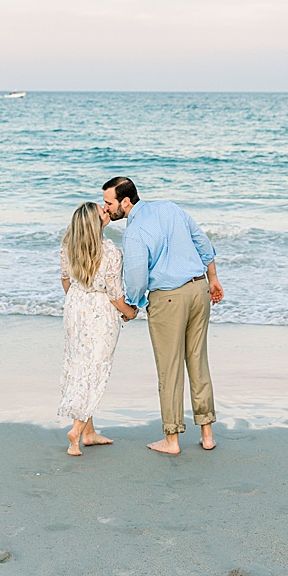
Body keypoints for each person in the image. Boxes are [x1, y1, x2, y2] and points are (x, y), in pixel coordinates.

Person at [100, 176, 223, 455]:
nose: (106, 209)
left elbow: (137, 275)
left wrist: (132, 305)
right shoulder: (170, 208)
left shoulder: (134, 232)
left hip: (168, 297)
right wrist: (213, 279)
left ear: (126, 201)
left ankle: (172, 439)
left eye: (109, 203)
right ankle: (207, 434)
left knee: (170, 369)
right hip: (198, 288)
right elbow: (202, 242)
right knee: (198, 361)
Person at [58, 201, 136, 455]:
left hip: (75, 305)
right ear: (96, 222)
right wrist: (130, 312)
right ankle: (77, 429)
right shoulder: (110, 252)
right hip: (101, 311)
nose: (107, 212)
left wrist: (78, 302)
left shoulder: (69, 245)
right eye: (103, 212)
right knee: (95, 368)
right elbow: (115, 295)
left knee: (79, 363)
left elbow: (66, 280)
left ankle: (89, 433)